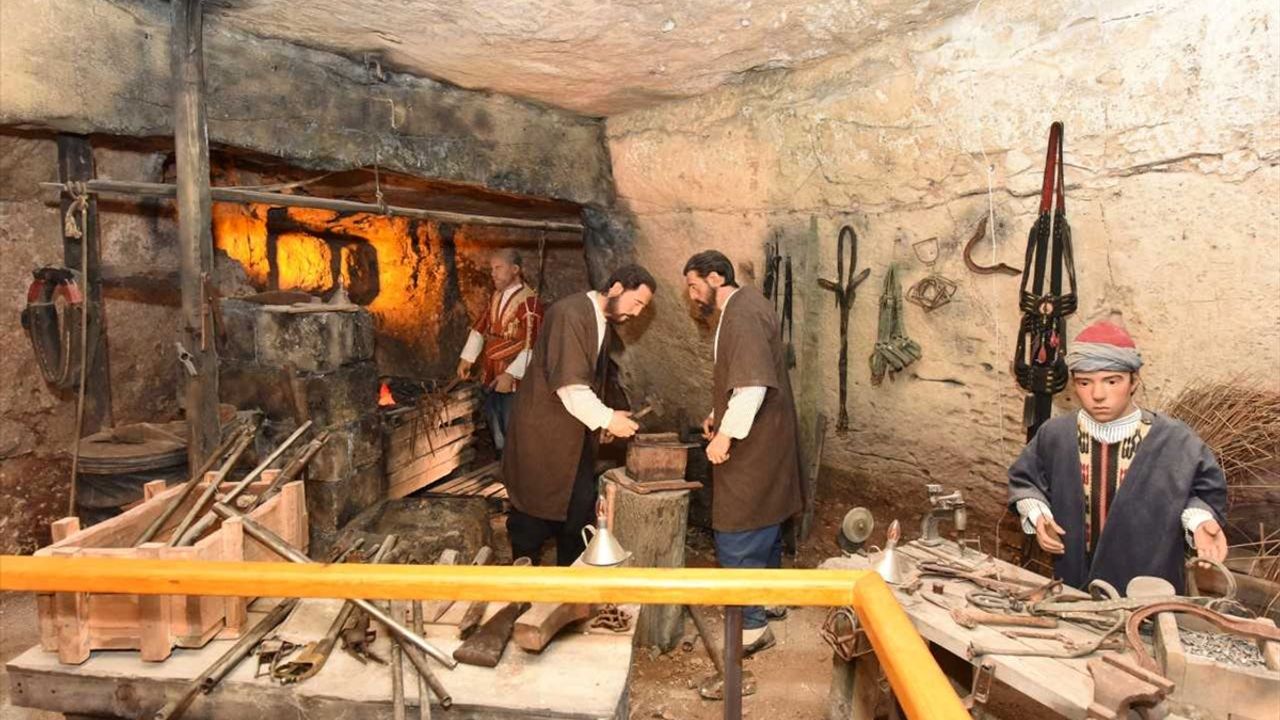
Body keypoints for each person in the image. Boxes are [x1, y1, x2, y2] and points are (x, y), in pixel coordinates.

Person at [1008, 321, 1228, 594]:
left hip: (1149, 590)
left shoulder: (1175, 440)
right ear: (1074, 385)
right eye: (1085, 383)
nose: (1098, 395)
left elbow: (1203, 492)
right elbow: (1026, 480)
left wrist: (1199, 520)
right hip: (1073, 585)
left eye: (1112, 381)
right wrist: (1038, 515)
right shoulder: (1055, 435)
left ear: (1134, 381)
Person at [683, 250, 805, 655]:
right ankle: (769, 599)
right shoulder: (749, 304)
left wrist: (725, 436)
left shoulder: (741, 314)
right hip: (770, 437)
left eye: (694, 285)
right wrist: (717, 412)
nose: (691, 295)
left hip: (755, 441)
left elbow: (752, 385)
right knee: (767, 518)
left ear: (716, 277)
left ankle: (753, 627)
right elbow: (743, 378)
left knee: (738, 529)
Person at [503, 264, 656, 566]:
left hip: (574, 437)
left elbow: (587, 386)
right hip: (544, 437)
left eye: (643, 308)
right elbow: (571, 387)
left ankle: (570, 585)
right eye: (636, 302)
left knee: (576, 517)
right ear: (616, 288)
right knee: (532, 517)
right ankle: (522, 586)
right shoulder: (570, 314)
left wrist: (606, 416)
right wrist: (608, 419)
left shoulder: (600, 322)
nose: (637, 313)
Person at [456, 249, 544, 456]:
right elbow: (480, 327)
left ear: (515, 269)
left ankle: (517, 463)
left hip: (514, 378)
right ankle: (502, 459)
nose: (493, 274)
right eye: (491, 269)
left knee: (512, 421)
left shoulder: (529, 303)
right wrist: (467, 359)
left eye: (498, 268)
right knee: (493, 416)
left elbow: (533, 345)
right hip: (491, 371)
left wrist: (510, 375)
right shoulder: (495, 297)